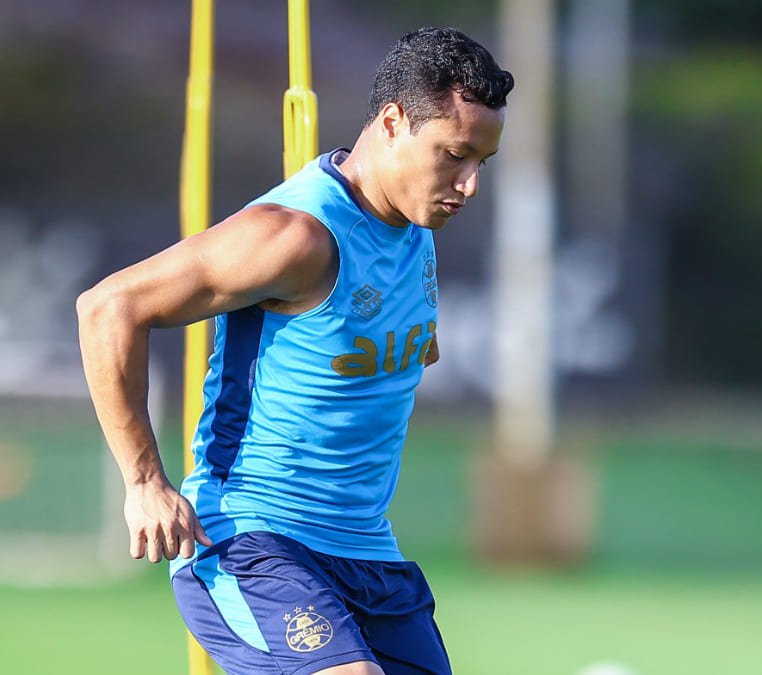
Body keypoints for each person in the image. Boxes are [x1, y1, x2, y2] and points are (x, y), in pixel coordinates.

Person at [76, 27, 513, 675]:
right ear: (392, 122)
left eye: (482, 162)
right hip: (253, 539)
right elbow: (108, 307)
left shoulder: (416, 229)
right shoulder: (295, 235)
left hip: (368, 551)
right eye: (454, 155)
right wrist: (144, 482)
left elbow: (405, 350)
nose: (469, 183)